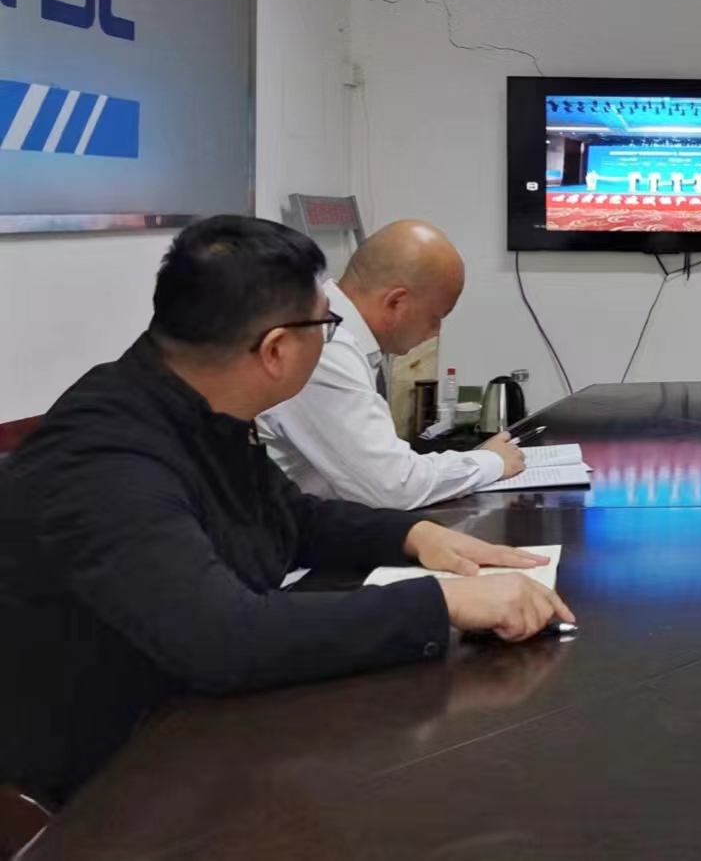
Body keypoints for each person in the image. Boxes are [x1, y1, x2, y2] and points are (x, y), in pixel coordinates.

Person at [0, 216, 575, 809]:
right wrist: (441, 603)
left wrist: (414, 534)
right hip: (107, 785)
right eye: (326, 325)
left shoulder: (196, 405)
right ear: (276, 350)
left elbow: (289, 517)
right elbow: (223, 638)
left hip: (192, 722)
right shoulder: (107, 461)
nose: (331, 339)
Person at [259, 220, 525, 508]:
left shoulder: (345, 339)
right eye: (435, 318)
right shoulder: (325, 346)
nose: (435, 333)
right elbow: (393, 487)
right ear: (396, 302)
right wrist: (491, 462)